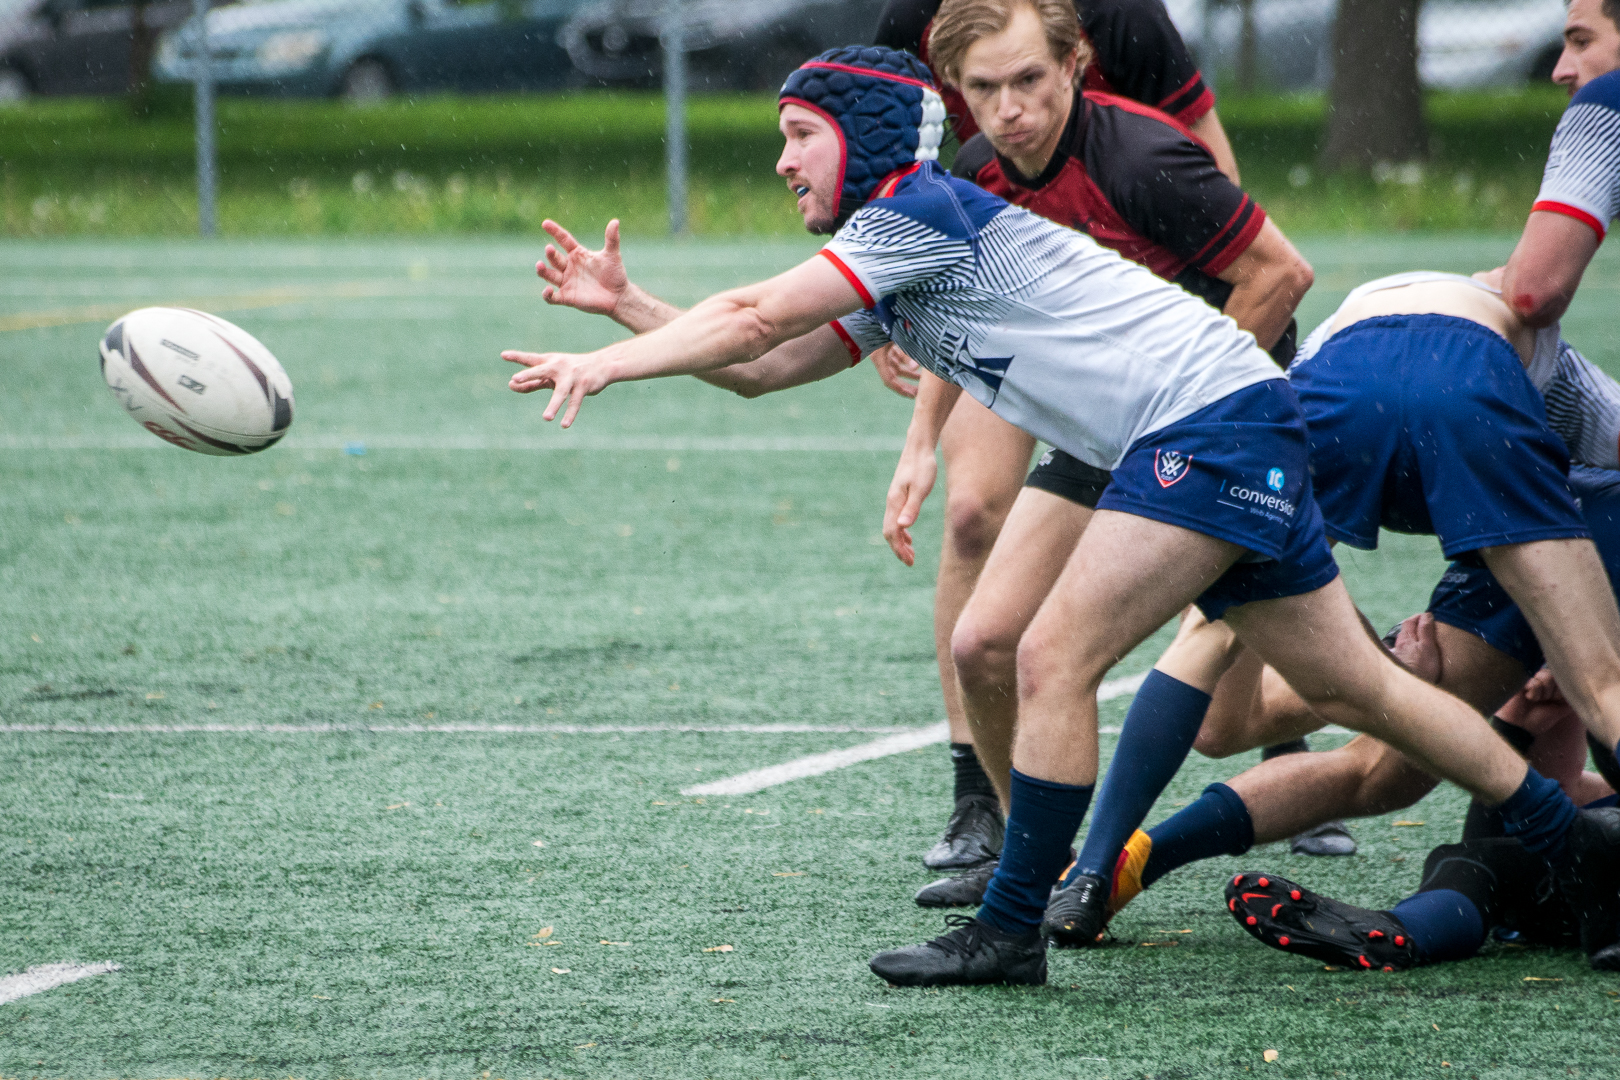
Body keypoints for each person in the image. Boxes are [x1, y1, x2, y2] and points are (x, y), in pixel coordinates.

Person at [498, 45, 1614, 989]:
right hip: (1235, 418)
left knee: (1047, 652)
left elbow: (746, 316)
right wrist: (633, 309)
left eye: (799, 133)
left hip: (1208, 425)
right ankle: (1584, 853)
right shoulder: (899, 246)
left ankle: (1011, 925)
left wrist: (606, 361)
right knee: (1359, 689)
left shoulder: (913, 210)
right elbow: (768, 360)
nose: (782, 158)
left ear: (867, 132)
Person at [866, 0, 1327, 884]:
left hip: (1223, 425)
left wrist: (1182, 412)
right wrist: (920, 439)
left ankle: (1452, 700)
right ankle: (1024, 859)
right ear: (956, 93)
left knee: (1232, 721)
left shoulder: (1143, 154)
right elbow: (957, 309)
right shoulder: (971, 171)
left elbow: (1281, 271)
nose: (1011, 108)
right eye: (986, 89)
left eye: (1030, 79)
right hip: (1110, 419)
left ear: (1076, 62)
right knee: (985, 642)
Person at [1050, 273, 1620, 964]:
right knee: (1576, 705)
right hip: (1521, 450)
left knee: (1386, 764)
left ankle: (1103, 868)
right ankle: (1122, 864)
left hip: (1348, 383)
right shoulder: (1541, 357)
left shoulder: (1350, 339)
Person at [1494, 0, 1620, 329]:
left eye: (1582, 42)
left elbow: (1532, 292)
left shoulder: (1608, 100)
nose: (1559, 71)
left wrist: (1489, 282)